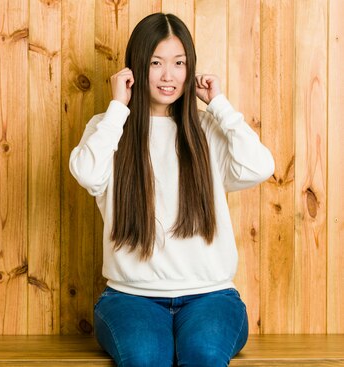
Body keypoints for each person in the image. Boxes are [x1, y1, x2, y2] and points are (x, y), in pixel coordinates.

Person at [69, 13, 274, 367]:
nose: (169, 75)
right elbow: (87, 174)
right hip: (130, 298)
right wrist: (118, 108)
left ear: (189, 68)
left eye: (179, 63)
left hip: (211, 297)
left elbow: (260, 166)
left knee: (205, 356)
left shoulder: (207, 130)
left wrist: (220, 105)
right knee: (146, 357)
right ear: (134, 69)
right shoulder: (109, 128)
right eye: (156, 63)